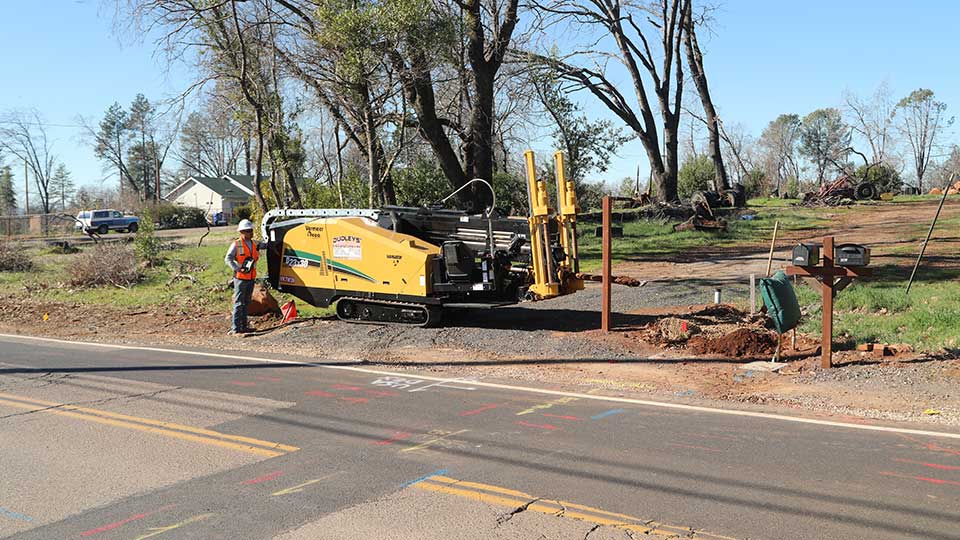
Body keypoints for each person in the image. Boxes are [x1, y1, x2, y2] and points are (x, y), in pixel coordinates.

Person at [225, 219, 266, 334]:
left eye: (251, 230)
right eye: (248, 231)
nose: (251, 233)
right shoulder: (236, 244)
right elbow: (228, 258)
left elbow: (265, 245)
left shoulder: (254, 243)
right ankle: (236, 328)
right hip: (240, 278)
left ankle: (244, 327)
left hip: (251, 278)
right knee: (239, 303)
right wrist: (238, 268)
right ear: (241, 232)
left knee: (246, 303)